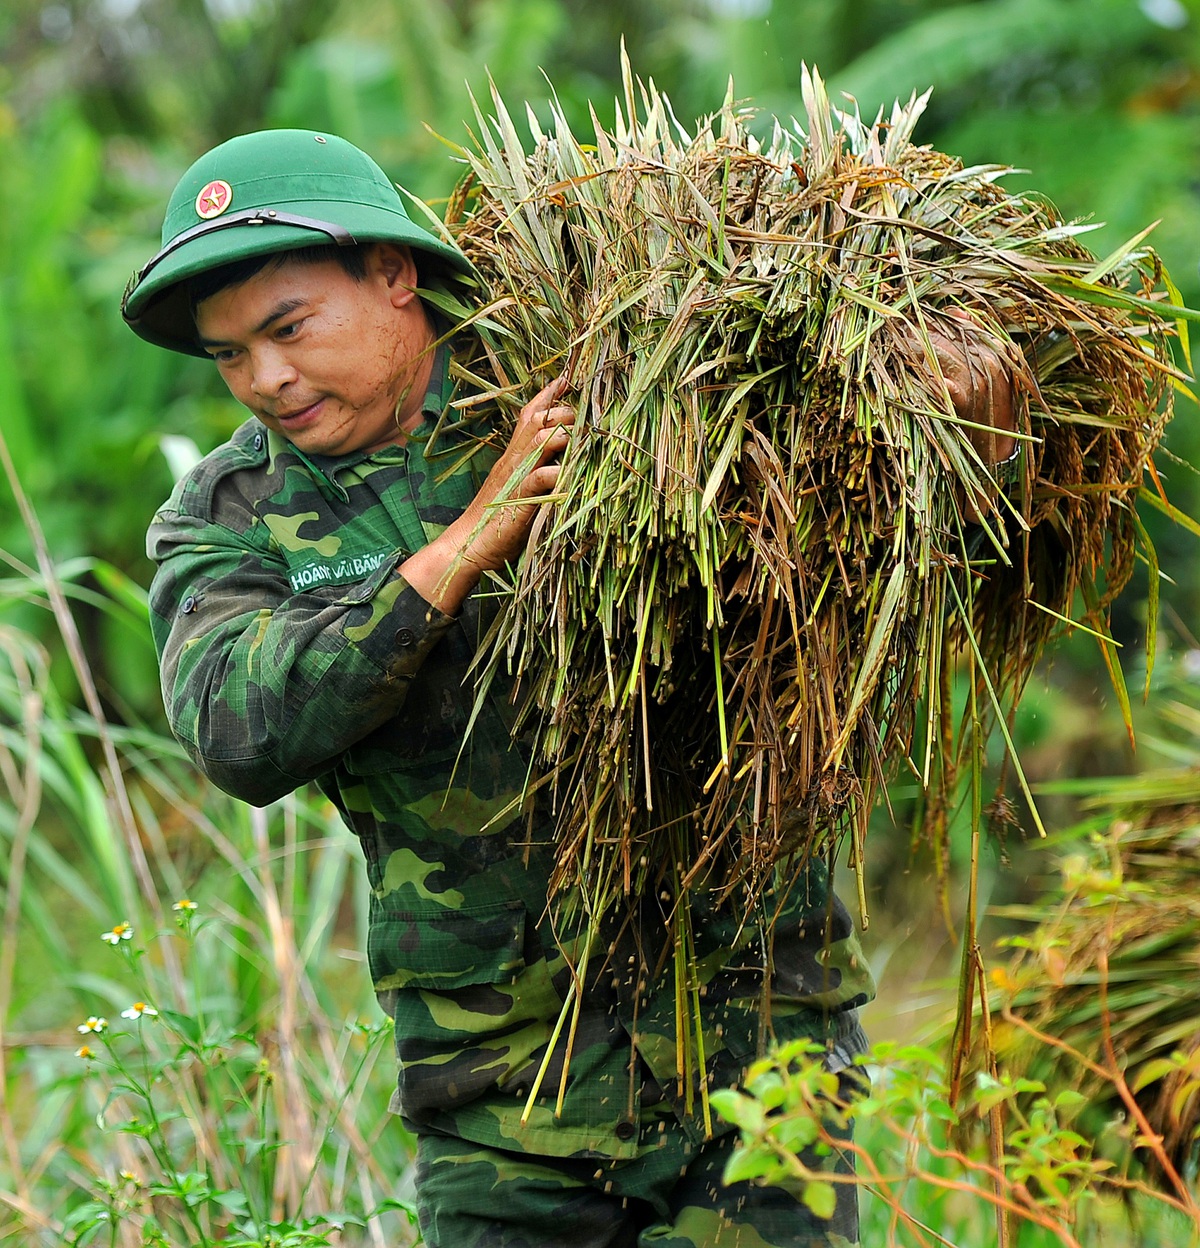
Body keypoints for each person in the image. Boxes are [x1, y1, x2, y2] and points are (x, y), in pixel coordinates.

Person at [123, 127, 1015, 1247]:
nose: (265, 380)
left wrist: (957, 421)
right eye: (229, 356)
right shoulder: (227, 516)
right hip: (504, 1103)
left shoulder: (607, 373)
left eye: (287, 329)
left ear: (393, 275)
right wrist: (465, 546)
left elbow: (873, 535)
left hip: (758, 1053)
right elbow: (239, 734)